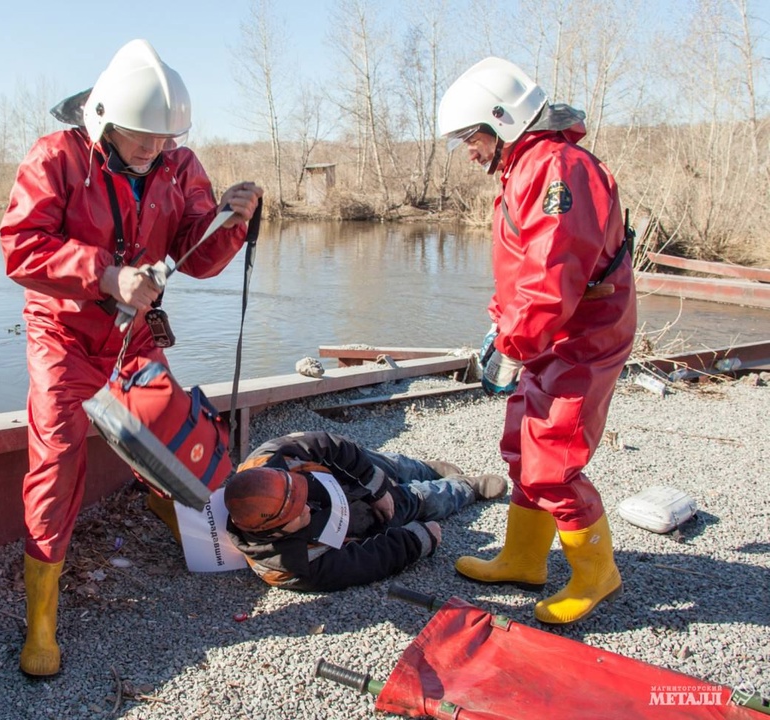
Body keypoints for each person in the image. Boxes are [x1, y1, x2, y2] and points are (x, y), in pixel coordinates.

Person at [0, 38, 263, 677]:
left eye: (164, 137)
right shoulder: (55, 158)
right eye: (141, 136)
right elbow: (21, 249)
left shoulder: (179, 166)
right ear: (104, 120)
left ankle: (175, 514)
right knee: (57, 461)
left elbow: (196, 259)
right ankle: (41, 621)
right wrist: (107, 274)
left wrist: (230, 221)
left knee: (173, 432)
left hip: (133, 335)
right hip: (62, 336)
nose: (153, 148)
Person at [437, 57, 636, 625]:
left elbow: (554, 272)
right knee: (524, 445)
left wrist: (513, 340)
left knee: (554, 458)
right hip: (552, 331)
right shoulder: (528, 166)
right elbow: (524, 270)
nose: (468, 150)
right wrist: (502, 325)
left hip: (583, 334)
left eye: (470, 136)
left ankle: (598, 573)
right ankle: (525, 557)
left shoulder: (557, 170)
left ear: (502, 122)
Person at [221, 431, 507, 592]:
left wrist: (377, 487)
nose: (305, 507)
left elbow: (331, 445)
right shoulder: (290, 568)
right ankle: (466, 488)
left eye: (301, 497)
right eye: (297, 512)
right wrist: (419, 540)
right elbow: (365, 562)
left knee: (386, 465)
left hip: (343, 478)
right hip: (356, 522)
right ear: (275, 530)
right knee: (415, 501)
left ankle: (425, 469)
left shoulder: (270, 456)